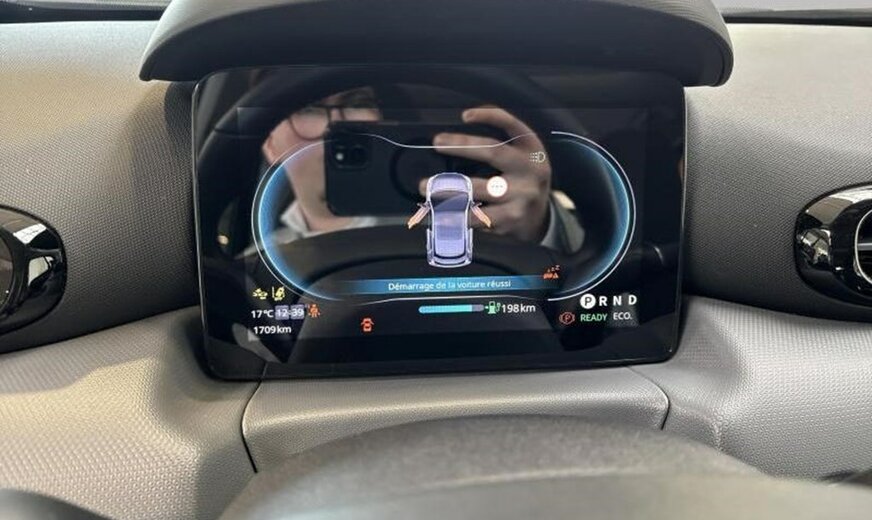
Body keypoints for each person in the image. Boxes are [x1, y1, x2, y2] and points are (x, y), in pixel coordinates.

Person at [260, 87, 584, 253]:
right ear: (270, 144)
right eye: (307, 107)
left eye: (359, 102)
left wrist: (537, 227)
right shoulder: (259, 261)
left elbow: (574, 278)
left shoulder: (460, 213)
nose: (339, 124)